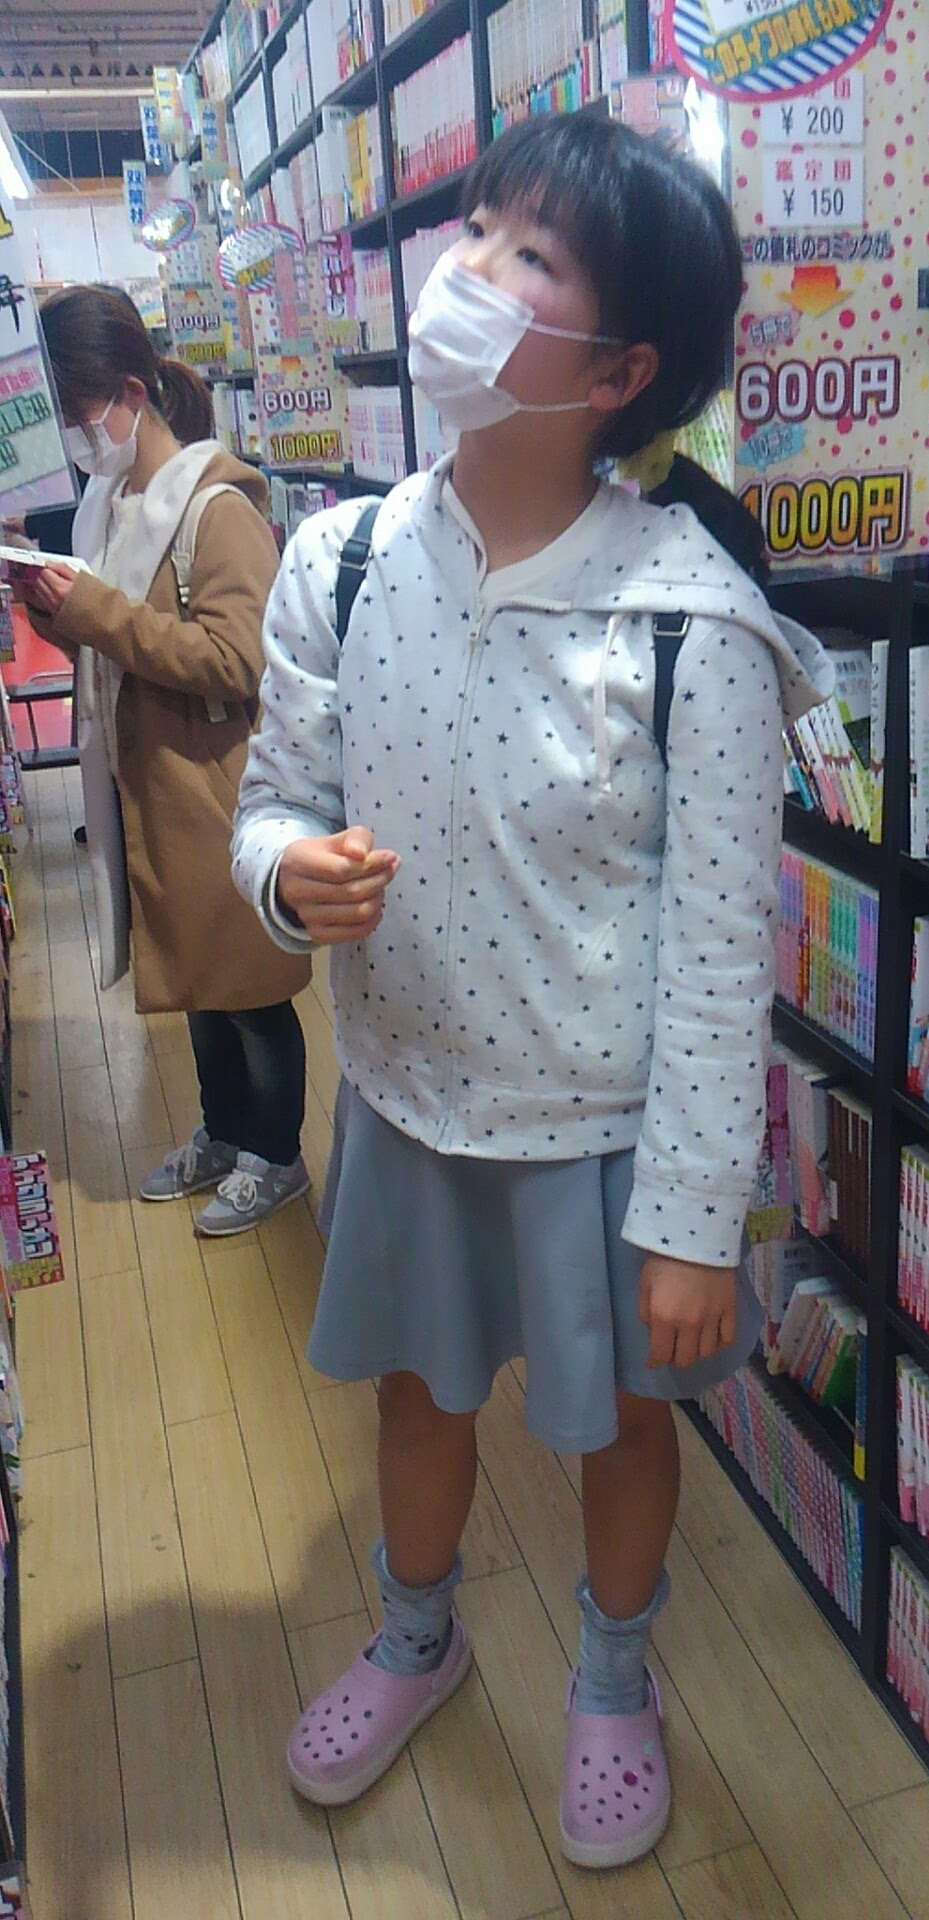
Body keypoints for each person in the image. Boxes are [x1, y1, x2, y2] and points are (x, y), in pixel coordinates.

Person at [232, 113, 832, 1866]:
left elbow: (722, 952)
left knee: (620, 1426)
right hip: (409, 1097)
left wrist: (696, 1223)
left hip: (605, 1132)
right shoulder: (343, 560)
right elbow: (272, 799)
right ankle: (418, 1638)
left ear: (620, 370)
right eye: (477, 225)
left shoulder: (693, 622)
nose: (469, 268)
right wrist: (286, 872)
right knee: (416, 1397)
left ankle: (614, 1676)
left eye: (531, 254)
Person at [18, 286, 312, 1236]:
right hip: (151, 785)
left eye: (78, 414)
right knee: (194, 982)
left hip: (216, 790)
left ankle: (277, 1156)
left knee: (250, 992)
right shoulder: (109, 505)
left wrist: (95, 613)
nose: (78, 439)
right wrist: (52, 610)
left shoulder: (215, 508)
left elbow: (238, 658)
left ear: (131, 394)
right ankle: (224, 1135)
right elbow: (116, 649)